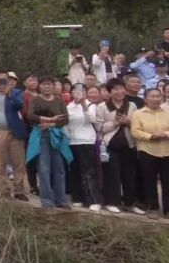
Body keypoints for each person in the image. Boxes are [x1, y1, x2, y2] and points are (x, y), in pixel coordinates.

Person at [93, 79, 141, 215]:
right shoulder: (102, 107)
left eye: (121, 88)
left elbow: (137, 124)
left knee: (129, 175)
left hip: (129, 144)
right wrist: (115, 122)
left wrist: (128, 122)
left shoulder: (131, 105)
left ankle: (130, 203)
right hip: (110, 145)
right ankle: (112, 202)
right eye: (115, 89)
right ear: (110, 92)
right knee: (112, 175)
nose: (119, 91)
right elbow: (99, 127)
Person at [0, 71, 29, 201]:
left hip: (15, 132)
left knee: (18, 163)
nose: (1, 82)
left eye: (4, 80)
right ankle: (4, 191)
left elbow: (20, 106)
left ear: (8, 81)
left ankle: (19, 190)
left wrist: (9, 94)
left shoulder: (16, 93)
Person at [26, 77, 71, 209]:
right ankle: (46, 200)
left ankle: (61, 199)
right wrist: (49, 119)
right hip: (41, 136)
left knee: (59, 169)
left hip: (57, 136)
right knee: (44, 168)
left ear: (53, 86)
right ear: (40, 86)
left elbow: (65, 119)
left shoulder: (59, 101)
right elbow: (30, 116)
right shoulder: (35, 100)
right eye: (44, 84)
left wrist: (51, 124)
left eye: (49, 84)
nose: (47, 87)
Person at [130, 88, 169, 218]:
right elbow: (135, 131)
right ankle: (153, 208)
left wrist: (165, 134)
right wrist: (151, 136)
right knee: (149, 181)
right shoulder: (138, 114)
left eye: (158, 96)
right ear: (146, 99)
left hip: (167, 151)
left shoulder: (167, 112)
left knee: (167, 181)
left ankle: (167, 209)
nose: (156, 99)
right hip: (147, 151)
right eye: (152, 96)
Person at [65, 84, 101, 211]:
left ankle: (93, 200)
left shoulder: (91, 105)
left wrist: (83, 104)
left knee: (88, 171)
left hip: (86, 141)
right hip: (71, 141)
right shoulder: (68, 106)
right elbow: (66, 124)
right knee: (74, 171)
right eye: (75, 91)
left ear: (85, 93)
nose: (78, 93)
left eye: (81, 91)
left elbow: (91, 119)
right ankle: (77, 198)